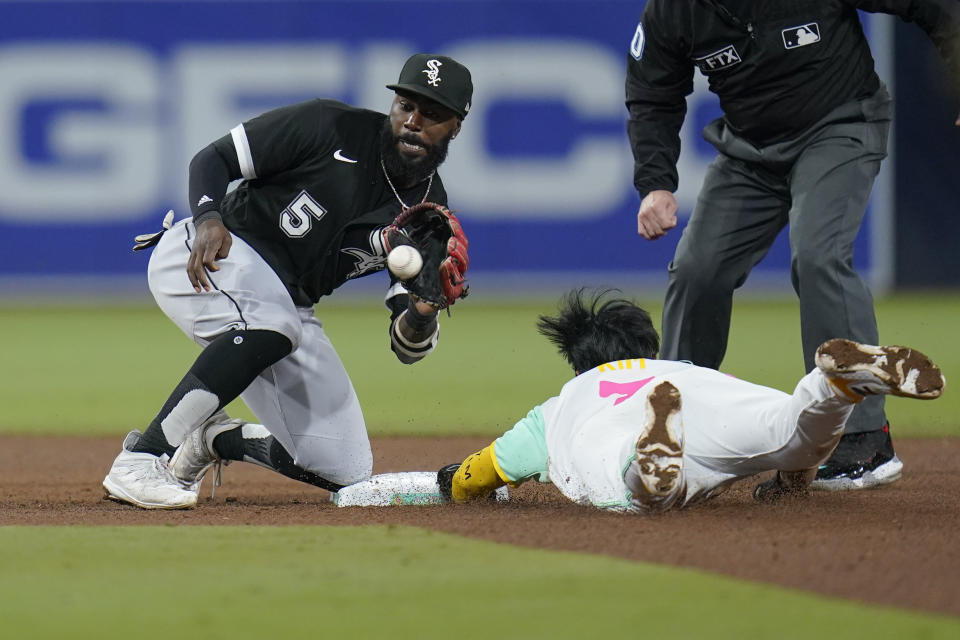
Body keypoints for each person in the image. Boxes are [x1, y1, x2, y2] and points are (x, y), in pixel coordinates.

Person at [102, 53, 473, 509]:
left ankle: (216, 439)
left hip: (285, 305)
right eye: (405, 106)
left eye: (432, 113)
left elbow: (406, 344)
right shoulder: (329, 125)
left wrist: (423, 310)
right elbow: (213, 158)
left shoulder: (429, 217)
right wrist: (208, 217)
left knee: (345, 469)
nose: (413, 121)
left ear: (457, 125)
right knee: (275, 326)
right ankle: (141, 460)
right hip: (213, 254)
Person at [625, 1, 960, 490]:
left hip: (840, 124)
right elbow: (653, 92)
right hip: (750, 151)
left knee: (818, 256)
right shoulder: (674, 10)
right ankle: (677, 430)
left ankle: (862, 440)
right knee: (697, 269)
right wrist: (655, 184)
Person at [436, 289, 945, 512]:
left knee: (637, 489)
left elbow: (478, 475)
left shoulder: (565, 401)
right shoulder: (679, 369)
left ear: (580, 364)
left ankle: (646, 462)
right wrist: (791, 483)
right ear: (647, 349)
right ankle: (833, 385)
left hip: (635, 431)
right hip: (708, 398)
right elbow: (794, 458)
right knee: (791, 430)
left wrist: (456, 484)